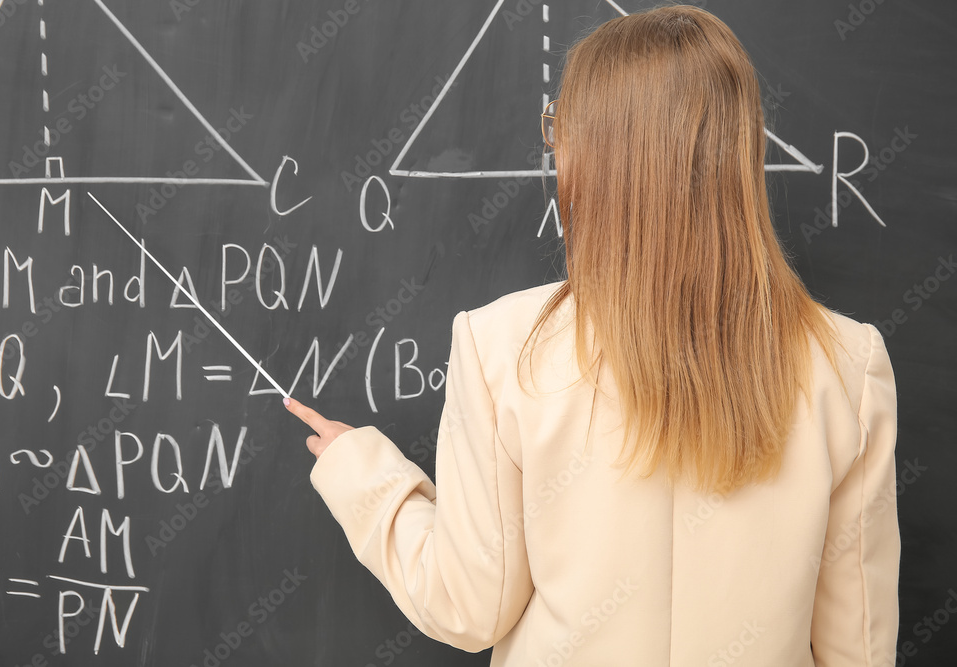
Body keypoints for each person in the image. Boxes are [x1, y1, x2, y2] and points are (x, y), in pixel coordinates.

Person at [284, 5, 900, 665]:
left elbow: (466, 605)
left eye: (558, 126)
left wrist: (365, 478)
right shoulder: (847, 364)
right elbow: (857, 645)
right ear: (737, 149)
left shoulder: (501, 349)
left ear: (593, 148)